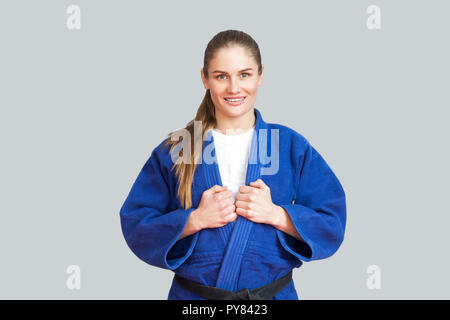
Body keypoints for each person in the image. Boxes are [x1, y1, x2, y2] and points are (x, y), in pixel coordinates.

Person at [119, 30, 346, 300]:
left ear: (261, 75)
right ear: (205, 78)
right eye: (221, 76)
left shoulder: (288, 145)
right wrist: (195, 220)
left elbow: (332, 222)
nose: (234, 88)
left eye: (245, 74)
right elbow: (136, 223)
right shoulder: (182, 147)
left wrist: (276, 214)